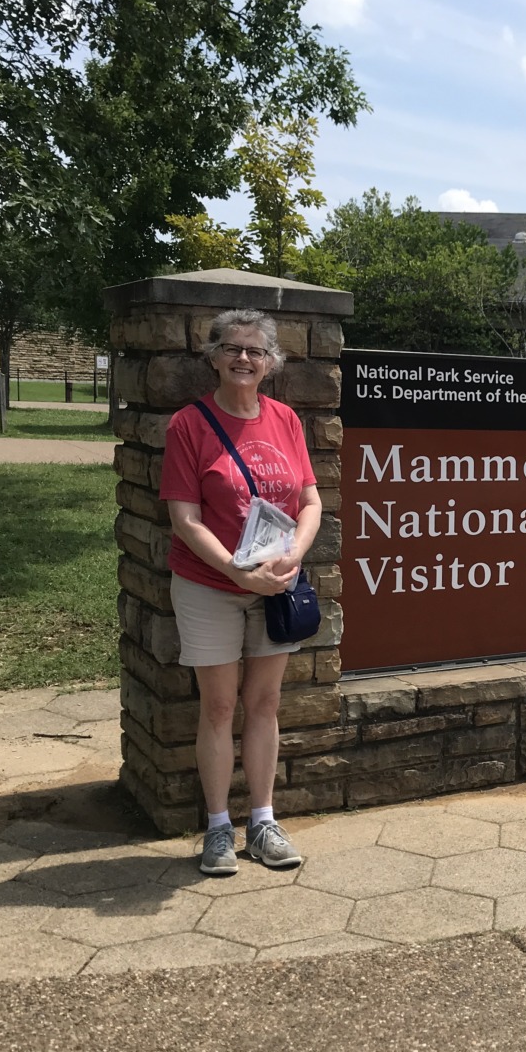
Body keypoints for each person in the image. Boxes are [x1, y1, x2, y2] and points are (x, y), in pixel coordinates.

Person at [159, 309, 322, 876]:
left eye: (255, 351)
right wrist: (236, 571)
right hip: (210, 584)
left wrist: (294, 555)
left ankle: (263, 820)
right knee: (219, 706)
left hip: (276, 583)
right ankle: (217, 827)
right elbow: (184, 517)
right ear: (213, 355)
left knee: (266, 703)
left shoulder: (286, 420)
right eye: (233, 348)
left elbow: (310, 501)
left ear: (272, 361)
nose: (244, 359)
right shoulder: (190, 424)